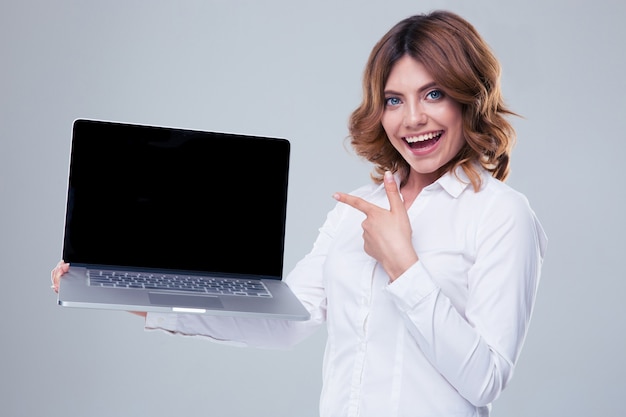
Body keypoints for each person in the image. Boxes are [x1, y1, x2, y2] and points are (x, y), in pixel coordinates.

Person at [52, 10, 547, 417]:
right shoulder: (359, 208)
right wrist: (134, 294)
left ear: (469, 98)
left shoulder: (502, 215)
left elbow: (485, 379)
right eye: (394, 100)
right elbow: (289, 322)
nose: (412, 118)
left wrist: (403, 265)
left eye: (433, 94)